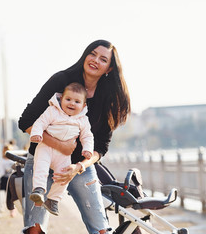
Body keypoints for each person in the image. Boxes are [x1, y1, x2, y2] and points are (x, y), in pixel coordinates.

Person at [18, 39, 130, 234]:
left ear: (109, 69)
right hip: (41, 160)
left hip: (78, 167)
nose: (95, 60)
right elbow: (26, 121)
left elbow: (101, 147)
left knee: (101, 229)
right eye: (92, 54)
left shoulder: (108, 97)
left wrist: (79, 167)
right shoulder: (61, 80)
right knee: (34, 230)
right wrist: (60, 146)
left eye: (103, 59)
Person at [29, 82, 94, 216]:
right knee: (40, 167)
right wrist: (37, 133)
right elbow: (40, 122)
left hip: (63, 155)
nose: (71, 103)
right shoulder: (53, 111)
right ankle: (39, 190)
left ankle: (53, 199)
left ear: (83, 105)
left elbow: (87, 136)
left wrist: (87, 149)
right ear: (61, 99)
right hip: (45, 148)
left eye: (77, 101)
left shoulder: (83, 120)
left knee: (63, 176)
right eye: (68, 99)